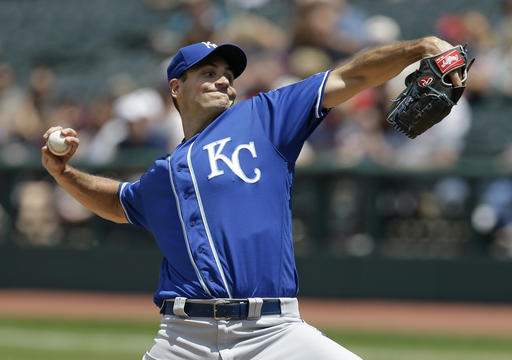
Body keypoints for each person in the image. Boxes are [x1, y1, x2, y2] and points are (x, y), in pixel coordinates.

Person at [41, 37, 462, 360]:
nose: (223, 79)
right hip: (184, 339)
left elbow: (351, 76)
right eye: (207, 72)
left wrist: (419, 48)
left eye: (227, 73)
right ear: (176, 87)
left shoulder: (265, 117)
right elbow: (118, 203)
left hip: (273, 333)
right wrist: (63, 173)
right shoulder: (165, 173)